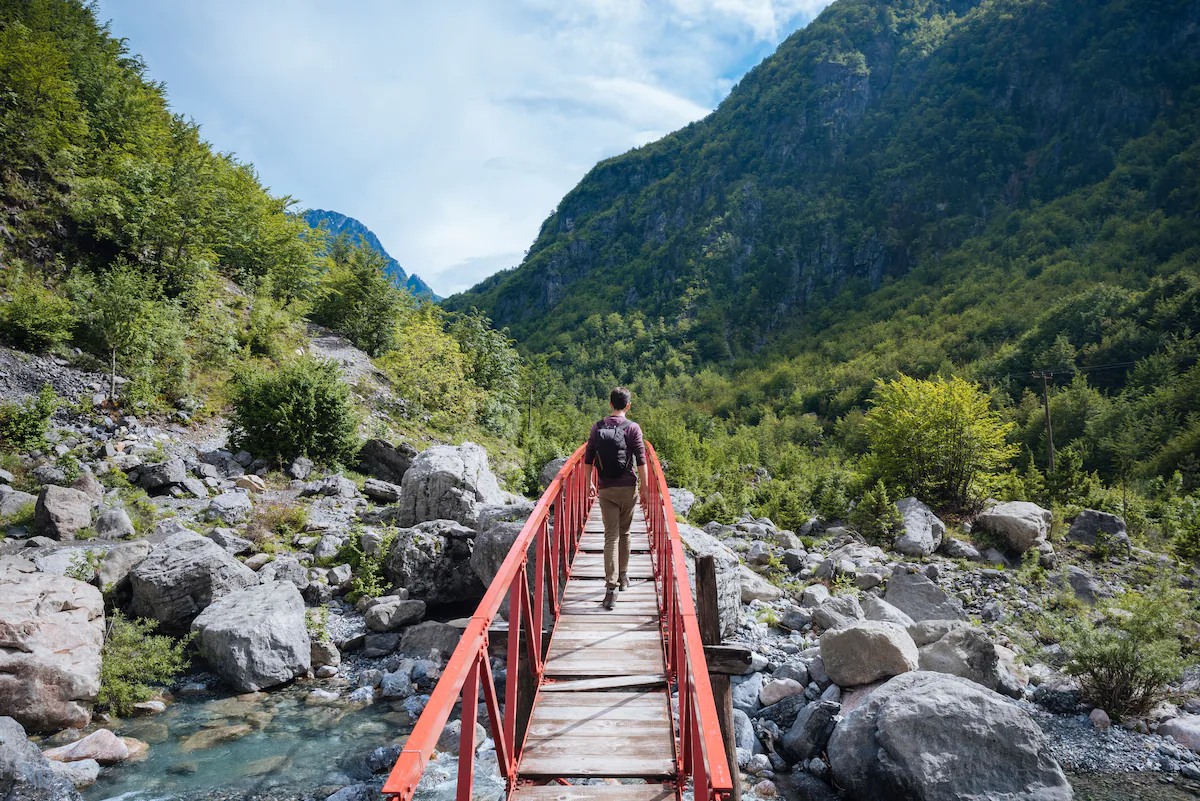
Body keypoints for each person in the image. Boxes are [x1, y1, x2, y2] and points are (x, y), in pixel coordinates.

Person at [583, 386, 648, 610]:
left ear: (610, 404)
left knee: (610, 537)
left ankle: (610, 589)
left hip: (606, 489)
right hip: (628, 487)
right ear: (628, 406)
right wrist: (646, 488)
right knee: (625, 532)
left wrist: (589, 483)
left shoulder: (598, 426)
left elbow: (588, 457)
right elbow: (641, 459)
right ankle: (624, 577)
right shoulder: (633, 428)